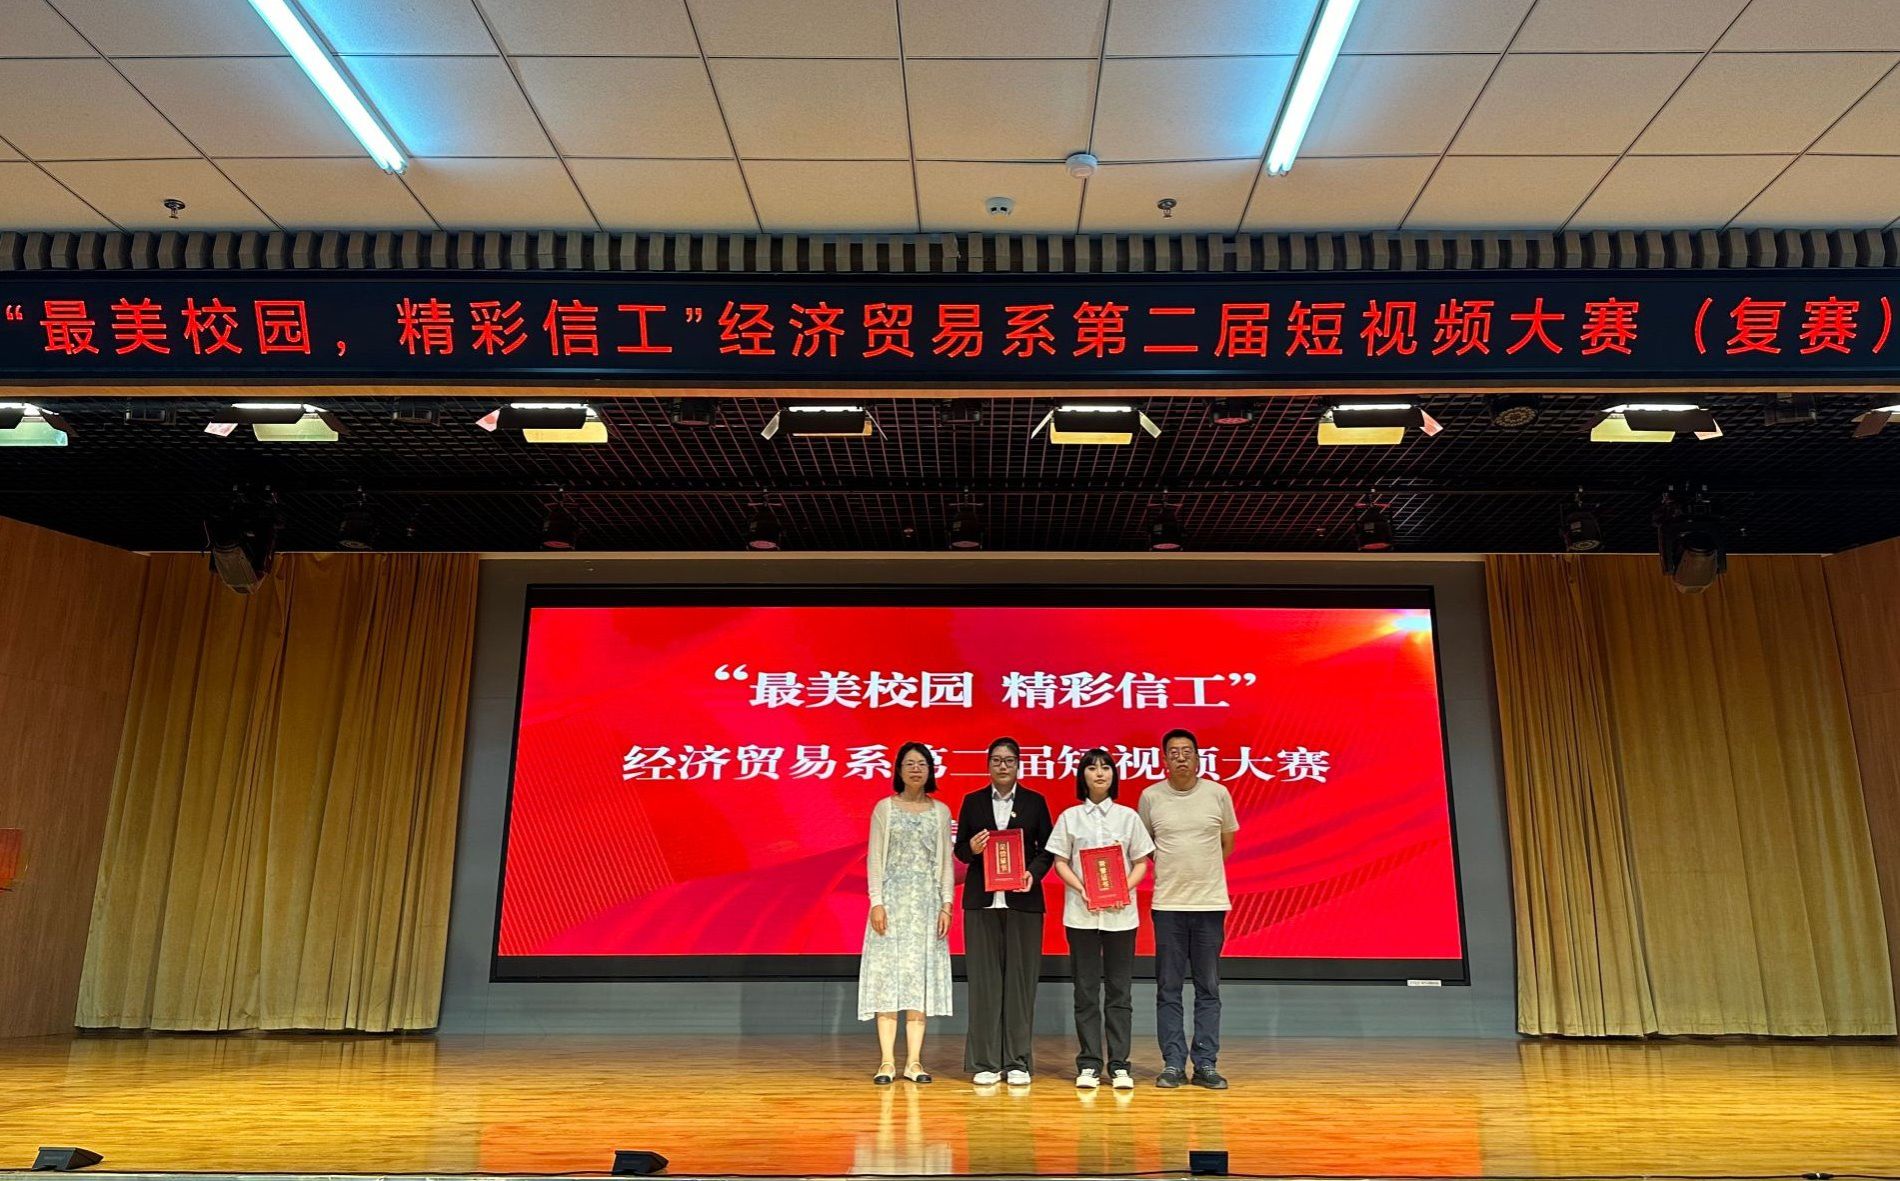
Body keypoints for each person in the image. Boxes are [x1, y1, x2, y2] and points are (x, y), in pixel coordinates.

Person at [1046, 748, 1153, 1091]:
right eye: (1092, 768)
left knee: (1120, 992)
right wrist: (1083, 889)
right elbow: (1060, 861)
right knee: (1086, 991)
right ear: (1083, 776)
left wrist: (1123, 889)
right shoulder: (1070, 817)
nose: (1100, 773)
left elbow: (1141, 861)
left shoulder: (1128, 817)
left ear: (1113, 775)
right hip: (1082, 915)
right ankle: (1090, 1063)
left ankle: (1120, 1064)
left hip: (1121, 916)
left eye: (1106, 767)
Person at [1138, 727, 1239, 1090]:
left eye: (1187, 752)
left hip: (1210, 904)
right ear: (1164, 759)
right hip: (1168, 905)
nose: (1180, 757)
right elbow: (1146, 845)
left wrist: (1203, 871)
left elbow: (1227, 842)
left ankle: (1206, 1063)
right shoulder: (1151, 797)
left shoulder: (1218, 793)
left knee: (1208, 987)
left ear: (1198, 757)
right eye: (1173, 752)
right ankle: (1173, 1063)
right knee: (1168, 988)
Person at [954, 736, 1054, 1087]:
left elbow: (1048, 849)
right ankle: (985, 1062)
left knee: (1020, 985)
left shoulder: (1035, 802)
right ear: (988, 765)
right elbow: (960, 850)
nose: (1002, 766)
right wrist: (972, 847)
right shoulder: (973, 802)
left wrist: (1032, 874)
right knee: (984, 984)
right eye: (996, 760)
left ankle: (1017, 1061)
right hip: (982, 902)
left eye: (1009, 760)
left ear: (1018, 765)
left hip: (1023, 902)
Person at [857, 741, 955, 1085]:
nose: (916, 769)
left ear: (930, 771)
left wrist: (946, 904)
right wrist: (876, 901)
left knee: (918, 982)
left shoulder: (940, 811)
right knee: (888, 980)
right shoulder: (884, 808)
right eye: (909, 764)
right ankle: (887, 1062)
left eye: (922, 764)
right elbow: (875, 858)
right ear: (899, 770)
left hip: (927, 905)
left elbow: (945, 863)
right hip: (892, 904)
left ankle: (914, 1062)